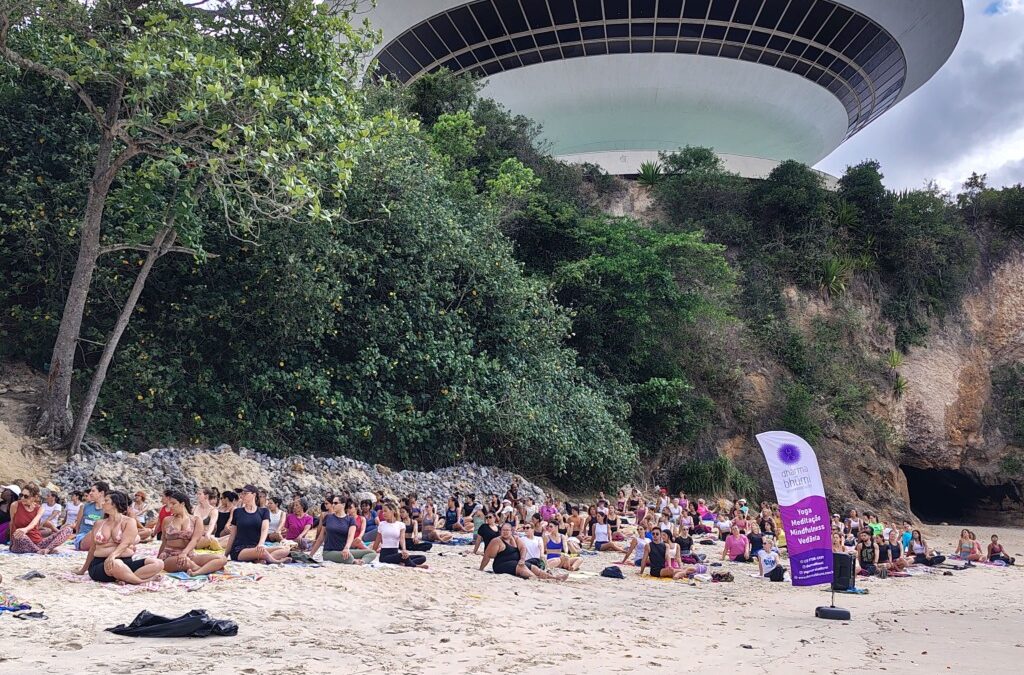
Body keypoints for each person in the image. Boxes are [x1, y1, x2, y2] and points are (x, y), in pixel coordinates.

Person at [73, 490, 162, 584]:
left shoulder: (129, 522)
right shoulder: (99, 523)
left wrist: (113, 555)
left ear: (114, 504)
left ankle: (123, 577)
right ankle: (140, 580)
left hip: (125, 562)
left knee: (158, 563)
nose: (103, 503)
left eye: (106, 501)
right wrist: (83, 570)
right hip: (100, 564)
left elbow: (126, 543)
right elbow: (93, 548)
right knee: (116, 563)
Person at [156, 489, 227, 576]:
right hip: (169, 556)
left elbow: (195, 540)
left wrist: (184, 553)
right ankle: (203, 569)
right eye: (169, 503)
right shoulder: (167, 520)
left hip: (189, 554)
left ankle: (197, 572)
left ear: (182, 504)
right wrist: (158, 559)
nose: (170, 506)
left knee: (222, 558)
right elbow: (164, 541)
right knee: (187, 562)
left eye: (173, 503)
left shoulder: (196, 520)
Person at [223, 485, 292, 564]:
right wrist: (226, 555)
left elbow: (264, 529)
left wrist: (261, 543)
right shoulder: (237, 512)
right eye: (241, 494)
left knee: (285, 549)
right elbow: (232, 535)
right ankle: (275, 561)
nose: (242, 496)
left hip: (257, 547)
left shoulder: (263, 511)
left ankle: (260, 560)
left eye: (245, 493)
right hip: (239, 549)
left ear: (254, 495)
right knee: (262, 552)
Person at [9, 483, 75, 554]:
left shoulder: (40, 508)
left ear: (35, 497)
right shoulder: (15, 505)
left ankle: (47, 549)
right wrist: (11, 542)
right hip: (20, 542)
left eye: (26, 496)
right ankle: (40, 551)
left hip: (37, 542)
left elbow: (34, 523)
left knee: (68, 530)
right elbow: (12, 524)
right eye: (21, 495)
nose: (22, 498)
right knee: (20, 535)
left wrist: (25, 529)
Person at [310, 498, 378, 564]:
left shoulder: (350, 519)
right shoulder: (328, 517)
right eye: (333, 503)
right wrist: (311, 555)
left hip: (344, 550)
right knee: (349, 557)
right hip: (329, 552)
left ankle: (362, 562)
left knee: (372, 553)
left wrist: (347, 548)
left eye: (336, 503)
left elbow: (350, 536)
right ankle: (354, 561)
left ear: (343, 504)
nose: (333, 505)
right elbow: (321, 537)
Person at [373, 502, 427, 568]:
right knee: (401, 556)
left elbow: (402, 539)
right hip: (385, 556)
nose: (383, 513)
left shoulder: (400, 525)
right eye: (382, 511)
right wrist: (372, 552)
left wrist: (404, 550)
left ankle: (405, 562)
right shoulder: (381, 524)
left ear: (392, 511)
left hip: (395, 553)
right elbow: (377, 541)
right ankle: (416, 566)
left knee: (422, 557)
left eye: (385, 511)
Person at [73, 481, 109, 550]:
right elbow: (78, 524)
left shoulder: (108, 509)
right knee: (94, 532)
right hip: (84, 537)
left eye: (93, 491)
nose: (90, 493)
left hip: (101, 538)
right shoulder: (84, 507)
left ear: (101, 493)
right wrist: (76, 535)